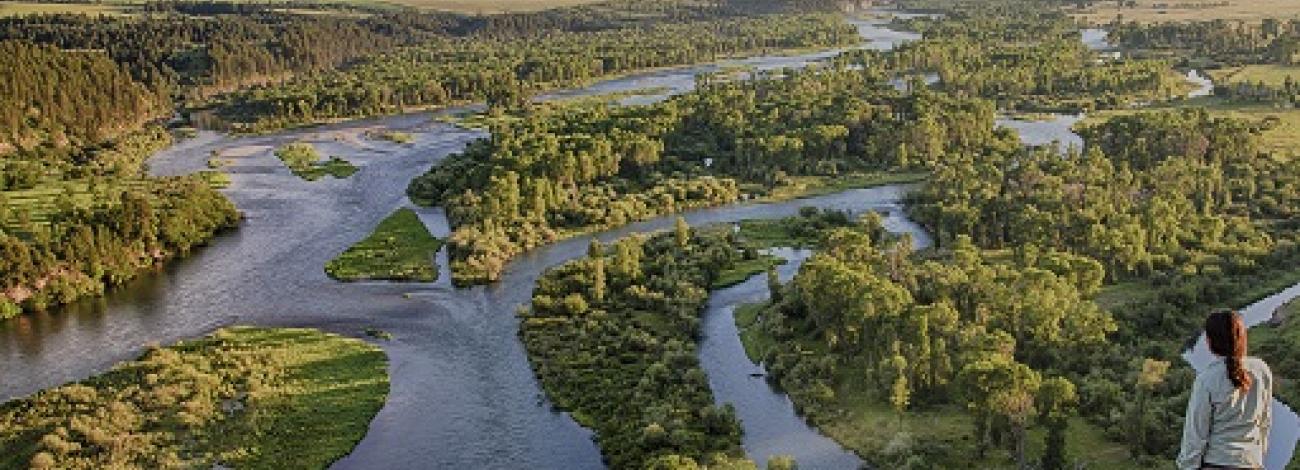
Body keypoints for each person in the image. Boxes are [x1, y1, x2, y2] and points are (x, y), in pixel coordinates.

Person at [1178, 309, 1274, 470]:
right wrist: (1257, 458)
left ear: (1209, 342)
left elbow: (1195, 436)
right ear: (1242, 337)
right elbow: (1264, 423)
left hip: (1216, 463)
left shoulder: (1207, 380)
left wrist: (1187, 467)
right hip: (1250, 462)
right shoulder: (1261, 370)